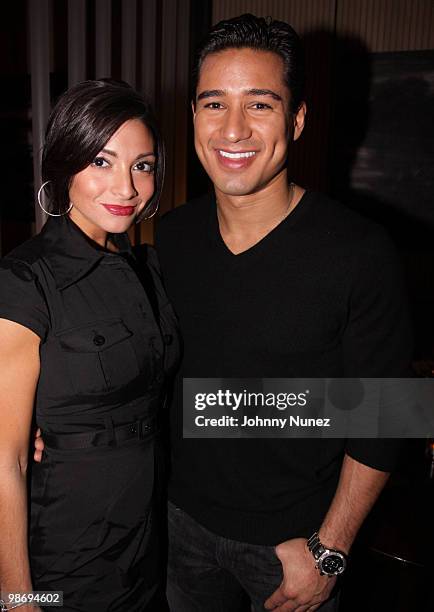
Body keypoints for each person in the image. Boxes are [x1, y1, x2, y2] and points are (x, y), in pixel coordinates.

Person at [154, 14, 412, 612]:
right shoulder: (172, 238)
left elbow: (390, 413)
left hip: (293, 542)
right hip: (177, 526)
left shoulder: (359, 250)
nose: (234, 129)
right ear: (193, 115)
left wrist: (331, 547)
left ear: (296, 120)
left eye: (261, 104)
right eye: (214, 103)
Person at [0, 79, 179, 611]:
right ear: (63, 166)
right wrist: (18, 598)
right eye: (102, 161)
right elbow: (3, 460)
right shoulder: (25, 280)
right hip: (68, 551)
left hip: (148, 540)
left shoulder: (146, 268)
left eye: (142, 165)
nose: (126, 187)